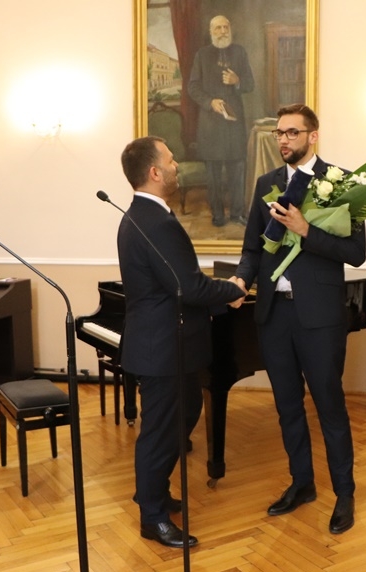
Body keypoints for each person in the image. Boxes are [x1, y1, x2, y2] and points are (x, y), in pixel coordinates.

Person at [234, 103, 363, 534]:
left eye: (293, 132)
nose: (284, 139)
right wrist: (241, 280)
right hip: (273, 314)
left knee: (329, 406)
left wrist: (307, 231)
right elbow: (253, 247)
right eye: (279, 133)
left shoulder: (341, 183)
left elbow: (355, 253)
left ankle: (344, 494)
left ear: (313, 136)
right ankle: (302, 483)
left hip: (320, 317)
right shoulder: (266, 183)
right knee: (287, 406)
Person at [116, 136, 246, 548]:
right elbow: (188, 287)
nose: (177, 167)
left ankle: (154, 492)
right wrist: (232, 289)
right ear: (155, 172)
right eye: (171, 161)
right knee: (159, 433)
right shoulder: (153, 221)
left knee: (185, 414)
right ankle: (152, 517)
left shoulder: (147, 215)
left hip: (172, 345)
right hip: (162, 348)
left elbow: (177, 284)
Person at [187, 15, 254, 227]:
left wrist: (237, 81)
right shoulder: (202, 55)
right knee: (213, 174)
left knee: (238, 170)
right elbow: (193, 87)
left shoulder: (240, 52)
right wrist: (210, 102)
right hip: (211, 125)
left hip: (234, 124)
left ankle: (237, 213)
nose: (223, 31)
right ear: (211, 32)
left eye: (226, 27)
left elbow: (250, 84)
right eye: (218, 28)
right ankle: (217, 215)